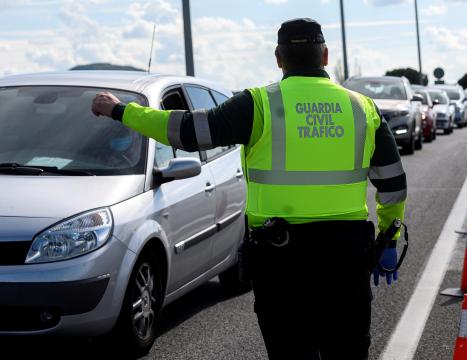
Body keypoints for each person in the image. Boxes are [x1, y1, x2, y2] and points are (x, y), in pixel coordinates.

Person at [91, 18, 406, 360]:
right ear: (325, 56)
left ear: (278, 58)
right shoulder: (363, 108)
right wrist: (388, 238)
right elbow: (392, 182)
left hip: (282, 259)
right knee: (347, 352)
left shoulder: (257, 104)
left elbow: (185, 131)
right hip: (345, 256)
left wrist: (121, 110)